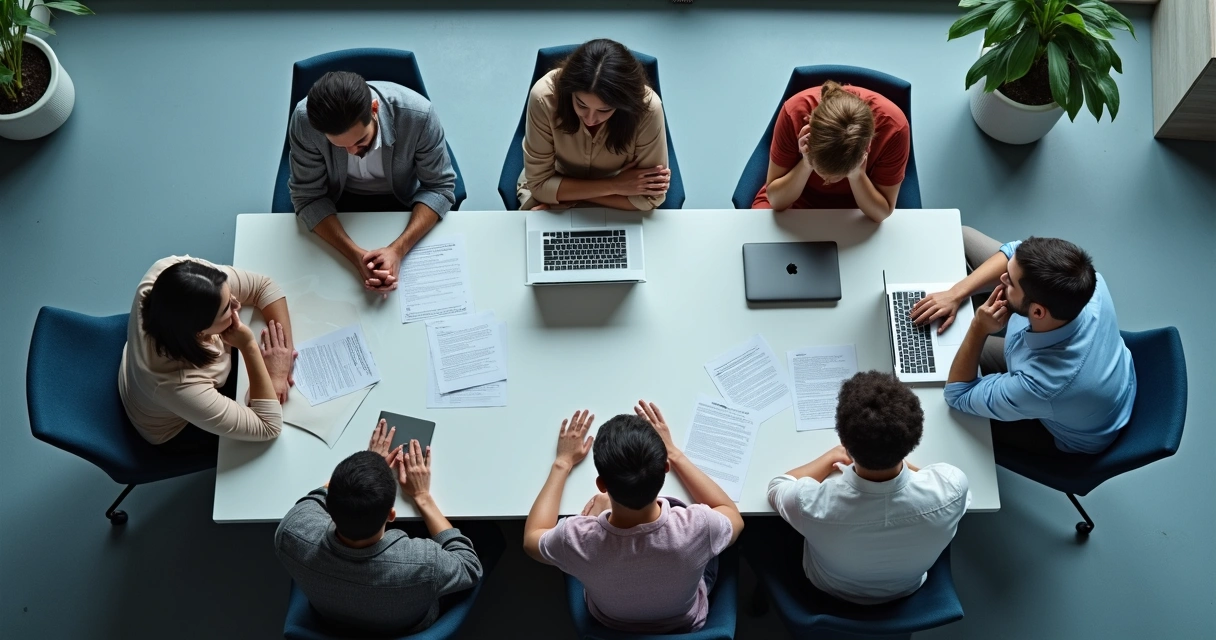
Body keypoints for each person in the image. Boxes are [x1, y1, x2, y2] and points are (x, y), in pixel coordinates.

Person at [523, 402, 744, 634]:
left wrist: (563, 463)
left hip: (611, 623)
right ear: (665, 468)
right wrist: (674, 452)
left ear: (601, 485)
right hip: (684, 620)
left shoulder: (577, 538)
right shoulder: (699, 526)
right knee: (712, 547)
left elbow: (531, 539)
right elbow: (733, 516)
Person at [914, 232, 1136, 455]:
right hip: (1099, 384)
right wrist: (955, 293)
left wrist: (978, 328)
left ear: (1037, 312)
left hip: (1068, 422)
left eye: (1009, 282)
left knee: (950, 355)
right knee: (964, 235)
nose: (1003, 278)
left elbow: (957, 395)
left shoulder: (1043, 384)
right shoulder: (1085, 282)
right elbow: (1013, 250)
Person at [767, 371, 970, 604]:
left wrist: (829, 458)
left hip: (828, 588)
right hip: (907, 587)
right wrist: (897, 457)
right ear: (913, 441)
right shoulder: (951, 488)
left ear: (844, 442)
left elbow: (777, 486)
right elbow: (939, 480)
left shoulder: (810, 503)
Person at [275, 420, 484, 636]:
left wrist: (365, 468)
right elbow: (470, 566)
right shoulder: (425, 563)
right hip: (407, 627)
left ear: (328, 507)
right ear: (392, 515)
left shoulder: (291, 532)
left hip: (332, 619)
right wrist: (422, 496)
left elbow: (316, 497)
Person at [288, 70, 457, 298]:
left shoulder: (419, 116)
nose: (352, 152)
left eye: (360, 141)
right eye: (339, 146)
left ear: (374, 109)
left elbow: (439, 187)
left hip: (404, 199)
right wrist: (356, 256)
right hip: (337, 198)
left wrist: (398, 250)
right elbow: (308, 196)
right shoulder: (304, 121)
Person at [119, 256, 295, 452]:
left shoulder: (168, 272)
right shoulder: (177, 384)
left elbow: (264, 287)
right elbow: (269, 426)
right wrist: (253, 351)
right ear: (200, 332)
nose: (237, 304)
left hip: (144, 379)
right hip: (172, 425)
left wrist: (284, 355)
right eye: (227, 308)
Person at [519, 38, 671, 211]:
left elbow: (649, 198)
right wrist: (615, 186)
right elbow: (539, 186)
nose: (590, 119)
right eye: (581, 104)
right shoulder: (544, 97)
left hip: (570, 196)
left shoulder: (648, 108)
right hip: (615, 192)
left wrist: (563, 194)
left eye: (604, 110)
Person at [752, 80, 909, 222]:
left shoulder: (894, 129)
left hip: (856, 208)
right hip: (796, 198)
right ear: (808, 134)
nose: (827, 182)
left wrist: (857, 174)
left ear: (866, 148)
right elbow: (776, 201)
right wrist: (807, 162)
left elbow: (880, 213)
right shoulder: (795, 111)